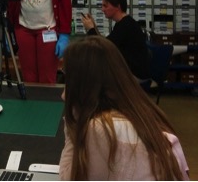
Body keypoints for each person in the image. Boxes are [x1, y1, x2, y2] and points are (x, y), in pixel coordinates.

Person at [59, 36, 189, 180]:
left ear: (83, 84)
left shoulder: (100, 129)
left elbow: (68, 177)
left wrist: (75, 122)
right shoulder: (141, 112)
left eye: (67, 79)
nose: (63, 94)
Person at [81, 0, 150, 80]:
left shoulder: (125, 25)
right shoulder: (123, 23)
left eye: (105, 6)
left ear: (118, 6)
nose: (102, 9)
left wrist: (91, 30)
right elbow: (106, 42)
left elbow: (103, 48)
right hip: (127, 69)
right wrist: (94, 27)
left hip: (133, 74)